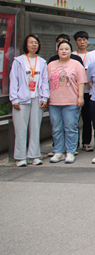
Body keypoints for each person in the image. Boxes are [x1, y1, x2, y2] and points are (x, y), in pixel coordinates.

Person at [10, 35, 49, 166]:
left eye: (36, 42)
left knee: (35, 128)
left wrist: (44, 97)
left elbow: (44, 81)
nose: (34, 45)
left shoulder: (42, 62)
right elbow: (13, 80)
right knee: (20, 129)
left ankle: (34, 155)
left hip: (37, 98)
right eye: (31, 42)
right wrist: (14, 99)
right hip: (21, 99)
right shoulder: (18, 61)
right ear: (26, 45)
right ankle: (20, 157)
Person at [47, 41, 87, 164]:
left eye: (66, 49)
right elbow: (46, 82)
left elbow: (81, 82)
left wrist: (80, 97)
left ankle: (70, 151)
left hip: (71, 101)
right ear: (57, 51)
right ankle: (58, 151)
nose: (64, 51)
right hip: (54, 102)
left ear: (71, 51)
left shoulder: (76, 64)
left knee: (70, 127)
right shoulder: (51, 65)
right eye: (61, 49)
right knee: (56, 128)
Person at [73, 31, 93, 152]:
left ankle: (86, 142)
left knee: (87, 118)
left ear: (87, 41)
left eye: (84, 40)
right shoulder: (71, 54)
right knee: (74, 119)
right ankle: (74, 144)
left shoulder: (91, 55)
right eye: (79, 40)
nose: (82, 42)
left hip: (88, 91)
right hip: (74, 92)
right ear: (75, 42)